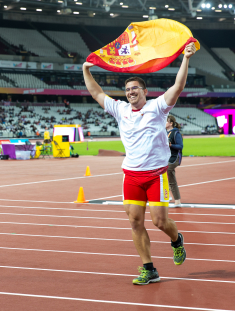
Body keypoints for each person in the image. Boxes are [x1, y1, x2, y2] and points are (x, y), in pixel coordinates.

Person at [83, 42, 197, 285]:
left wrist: (185, 59)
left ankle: (177, 240)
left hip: (156, 175)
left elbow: (178, 86)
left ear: (144, 91)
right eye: (127, 89)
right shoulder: (120, 109)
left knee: (159, 221)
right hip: (131, 175)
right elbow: (96, 93)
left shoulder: (158, 107)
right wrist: (86, 70)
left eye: (135, 88)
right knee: (135, 222)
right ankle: (149, 268)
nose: (130, 92)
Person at [166, 115, 183, 207]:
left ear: (170, 123)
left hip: (174, 158)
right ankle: (175, 200)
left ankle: (171, 197)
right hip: (167, 158)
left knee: (165, 173)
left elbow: (180, 146)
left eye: (166, 121)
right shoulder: (165, 132)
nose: (164, 123)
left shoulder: (176, 133)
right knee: (168, 178)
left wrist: (171, 145)